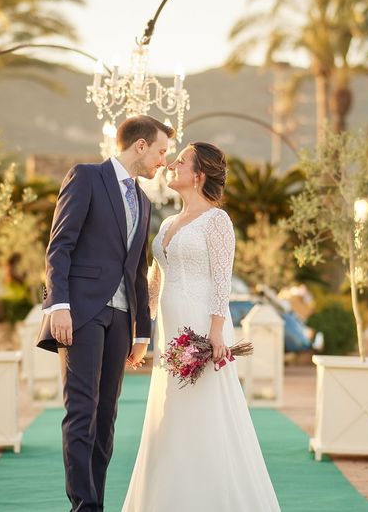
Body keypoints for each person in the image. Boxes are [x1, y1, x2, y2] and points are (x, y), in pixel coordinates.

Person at [122, 142, 281, 512]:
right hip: (168, 331)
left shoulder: (217, 221)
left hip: (199, 328)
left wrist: (216, 332)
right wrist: (139, 330)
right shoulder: (167, 223)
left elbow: (222, 281)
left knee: (204, 411)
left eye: (181, 161)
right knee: (170, 409)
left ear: (199, 175)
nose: (172, 165)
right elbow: (155, 282)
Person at [37, 115, 172, 512]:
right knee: (81, 411)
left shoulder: (145, 202)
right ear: (141, 146)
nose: (164, 160)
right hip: (79, 312)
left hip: (119, 320)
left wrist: (141, 333)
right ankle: (85, 507)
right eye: (162, 151)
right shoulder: (86, 177)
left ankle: (94, 500)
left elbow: (137, 268)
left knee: (107, 417)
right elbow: (59, 246)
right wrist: (58, 305)